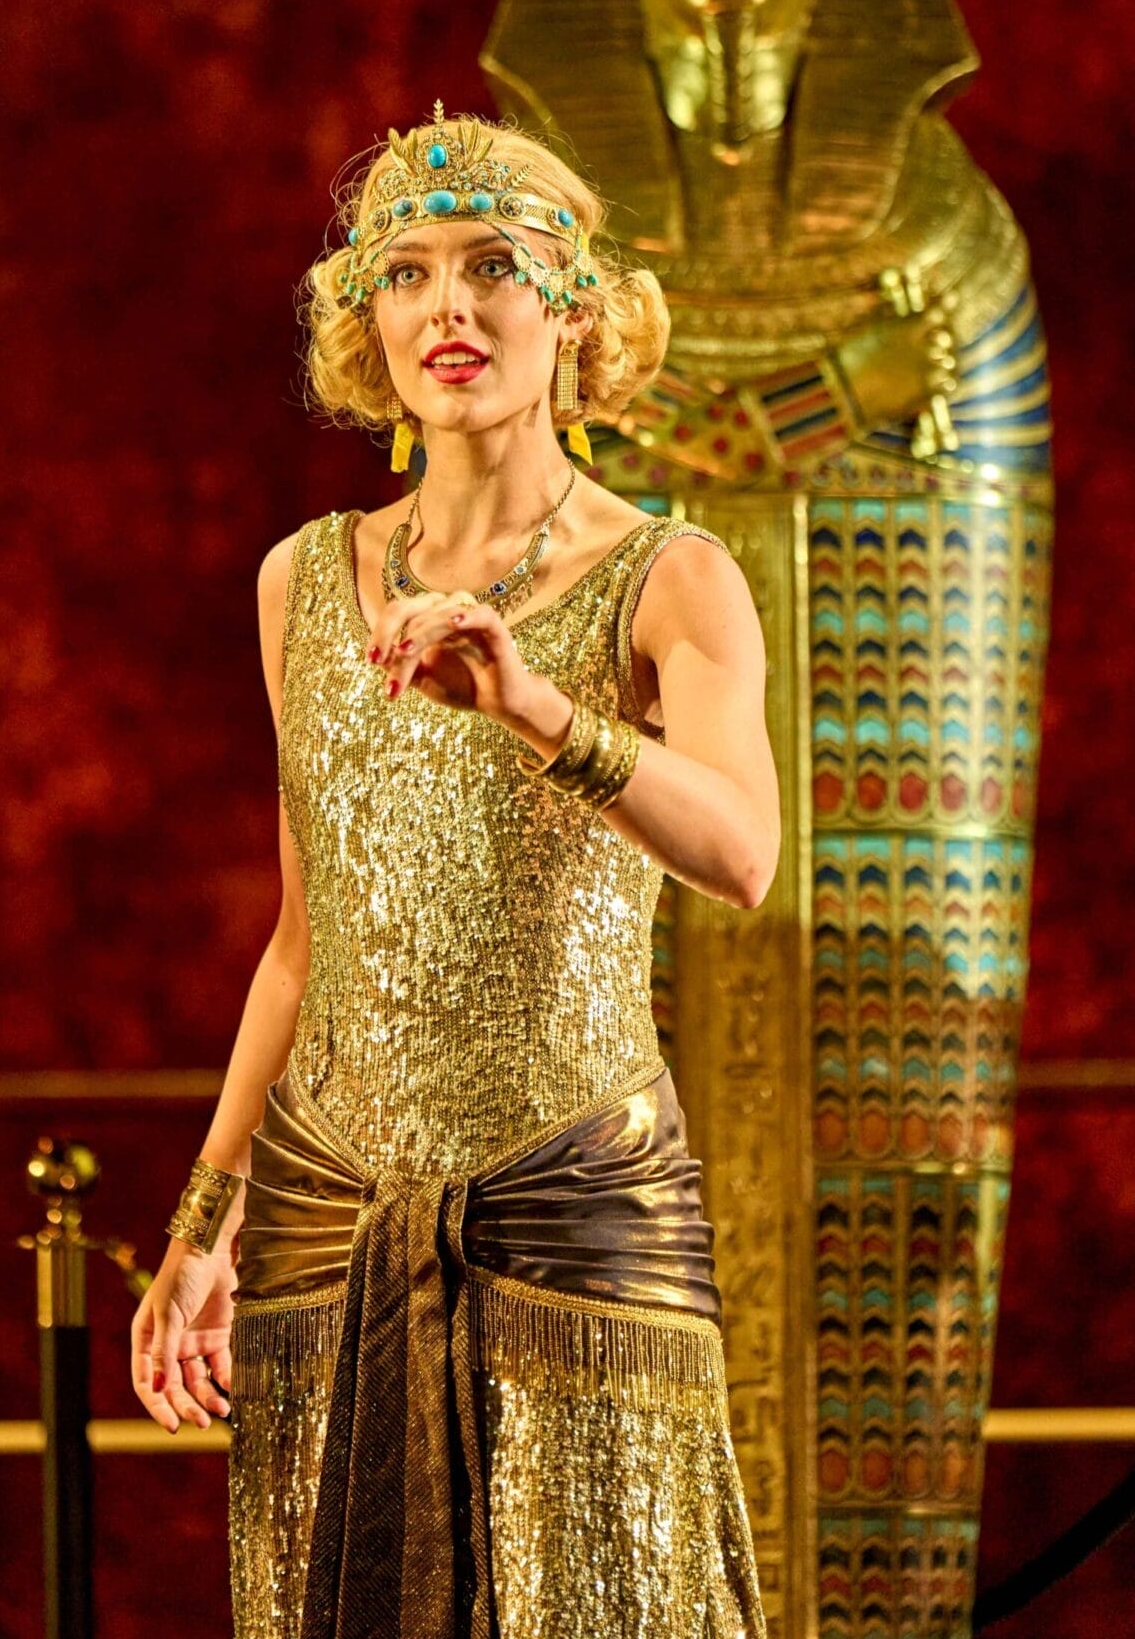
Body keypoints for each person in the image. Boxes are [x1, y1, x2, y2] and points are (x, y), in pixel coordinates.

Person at [131, 103, 779, 1639]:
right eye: (407, 270)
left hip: (573, 1200)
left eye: (496, 264)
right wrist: (204, 1218)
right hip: (329, 1210)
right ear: (366, 317)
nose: (450, 307)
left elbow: (745, 853)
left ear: (574, 307)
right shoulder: (303, 579)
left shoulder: (667, 573)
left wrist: (536, 707)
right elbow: (305, 939)